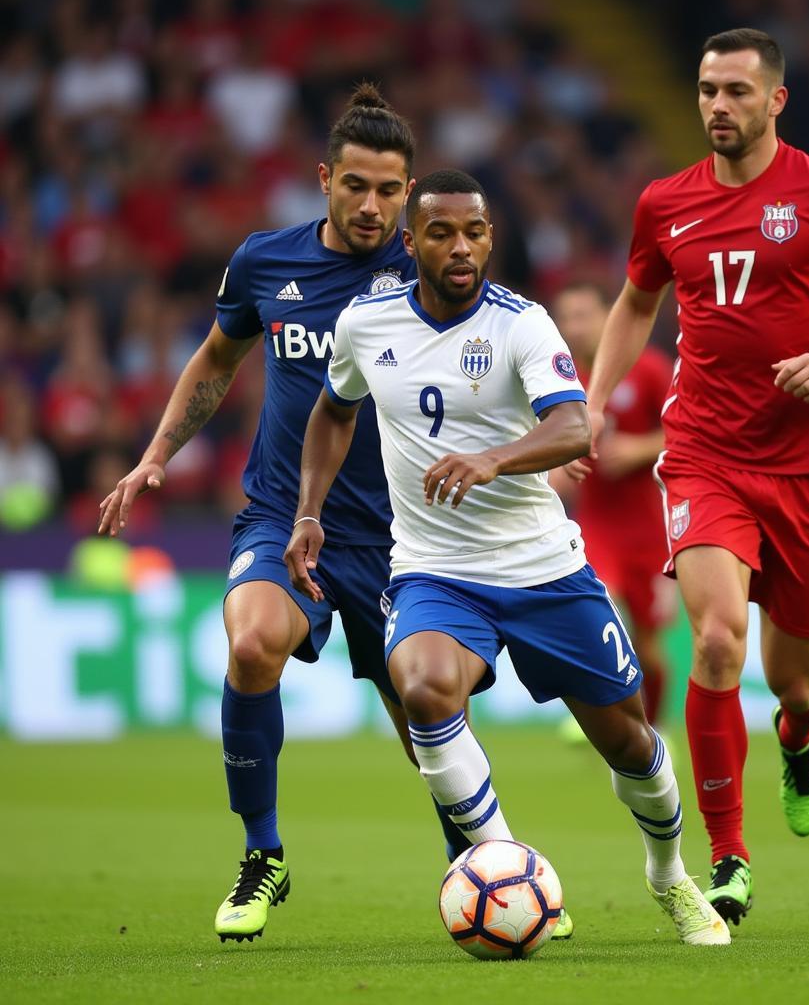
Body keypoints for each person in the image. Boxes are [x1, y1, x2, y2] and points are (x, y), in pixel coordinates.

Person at [96, 85, 513, 945]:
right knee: (252, 642)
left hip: (407, 541)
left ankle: (482, 867)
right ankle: (263, 854)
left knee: (427, 718)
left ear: (409, 199)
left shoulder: (431, 271)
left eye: (389, 191)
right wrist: (155, 456)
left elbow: (487, 368)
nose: (371, 205)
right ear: (324, 179)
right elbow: (217, 358)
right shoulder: (263, 263)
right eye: (355, 185)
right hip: (288, 519)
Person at [284, 169, 731, 947]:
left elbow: (571, 429)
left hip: (543, 569)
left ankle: (670, 876)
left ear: (491, 237)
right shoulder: (366, 324)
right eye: (443, 233)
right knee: (421, 686)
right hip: (433, 569)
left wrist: (493, 459)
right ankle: (504, 866)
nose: (462, 248)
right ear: (411, 241)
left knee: (628, 741)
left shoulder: (521, 324)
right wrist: (309, 510)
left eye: (476, 232)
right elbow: (332, 411)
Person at [577, 29, 809, 926]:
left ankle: (800, 739)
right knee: (718, 640)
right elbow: (636, 302)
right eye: (704, 90)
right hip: (701, 453)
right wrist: (593, 397)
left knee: (792, 681)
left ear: (775, 101)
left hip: (808, 467)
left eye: (735, 91)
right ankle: (728, 858)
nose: (716, 106)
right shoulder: (665, 202)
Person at [550, 281, 676, 730]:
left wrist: (639, 449)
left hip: (648, 525)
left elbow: (688, 432)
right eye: (566, 318)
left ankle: (652, 730)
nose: (574, 328)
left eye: (584, 315)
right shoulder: (560, 378)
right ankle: (598, 708)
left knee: (649, 644)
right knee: (601, 607)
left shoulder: (650, 369)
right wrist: (555, 471)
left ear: (608, 316)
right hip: (595, 524)